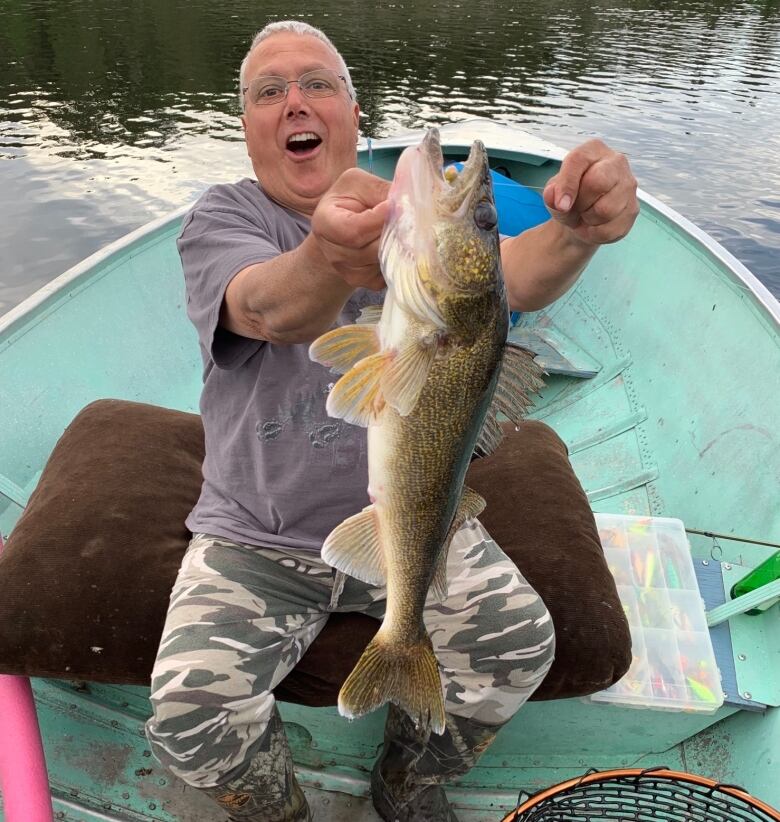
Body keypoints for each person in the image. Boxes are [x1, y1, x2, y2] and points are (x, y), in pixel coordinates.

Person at [144, 20, 639, 822]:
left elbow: (512, 274)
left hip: (418, 519)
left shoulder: (410, 228)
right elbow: (266, 308)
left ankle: (408, 779)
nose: (295, 102)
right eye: (270, 91)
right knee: (189, 720)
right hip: (257, 532)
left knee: (518, 651)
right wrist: (329, 259)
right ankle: (279, 810)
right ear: (247, 127)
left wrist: (576, 233)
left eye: (319, 84)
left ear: (352, 110)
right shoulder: (220, 221)